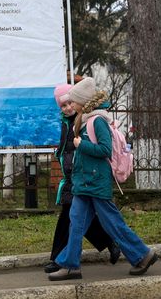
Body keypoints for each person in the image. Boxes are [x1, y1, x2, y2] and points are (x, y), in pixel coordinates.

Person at [49, 77, 158, 281]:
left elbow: (105, 150)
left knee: (112, 223)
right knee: (76, 223)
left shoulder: (97, 121)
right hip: (83, 183)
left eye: (73, 101)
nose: (71, 105)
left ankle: (143, 255)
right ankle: (70, 265)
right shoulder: (83, 120)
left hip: (96, 183)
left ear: (82, 101)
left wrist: (82, 145)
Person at [44, 83, 120, 273]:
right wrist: (59, 155)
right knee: (78, 217)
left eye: (70, 103)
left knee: (71, 217)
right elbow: (66, 148)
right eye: (63, 106)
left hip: (82, 176)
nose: (68, 107)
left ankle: (59, 259)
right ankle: (109, 241)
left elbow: (94, 148)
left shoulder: (84, 120)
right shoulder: (66, 122)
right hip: (72, 176)